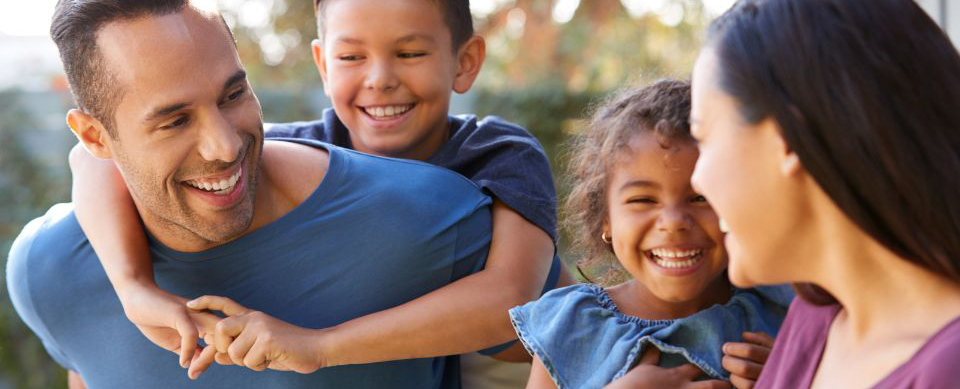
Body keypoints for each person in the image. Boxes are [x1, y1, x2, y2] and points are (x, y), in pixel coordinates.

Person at [67, 0, 571, 386]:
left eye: (410, 53)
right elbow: (89, 160)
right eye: (351, 56)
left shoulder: (496, 152)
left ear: (465, 62)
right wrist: (133, 288)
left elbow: (516, 298)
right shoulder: (301, 153)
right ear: (324, 64)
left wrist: (320, 345)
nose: (380, 79)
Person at [689, 0, 960, 387]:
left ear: (786, 139)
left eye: (703, 136)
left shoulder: (948, 370)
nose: (697, 179)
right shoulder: (815, 317)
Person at [509, 80, 792, 389]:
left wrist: (790, 377)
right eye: (643, 200)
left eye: (701, 197)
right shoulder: (569, 326)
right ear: (605, 218)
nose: (673, 222)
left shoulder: (782, 311)